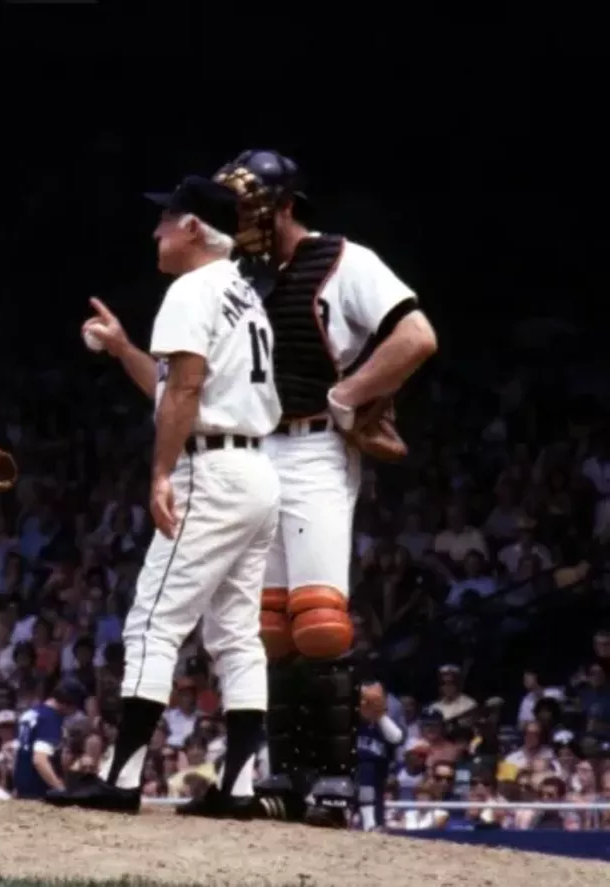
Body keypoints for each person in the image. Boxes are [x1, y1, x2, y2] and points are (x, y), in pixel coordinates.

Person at [213, 150, 439, 825]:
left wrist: (349, 393)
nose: (242, 217)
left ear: (286, 205)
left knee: (319, 621)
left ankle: (336, 779)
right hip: (256, 448)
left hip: (315, 446)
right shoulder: (235, 273)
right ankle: (284, 773)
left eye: (253, 204)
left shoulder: (342, 259)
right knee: (270, 629)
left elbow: (417, 335)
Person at [44, 175, 281, 815]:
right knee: (235, 633)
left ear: (194, 228)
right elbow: (173, 384)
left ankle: (121, 782)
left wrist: (161, 474)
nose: (157, 230)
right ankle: (238, 790)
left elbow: (183, 394)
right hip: (258, 471)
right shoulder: (243, 292)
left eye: (166, 219)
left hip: (212, 471)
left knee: (153, 621)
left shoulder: (191, 288)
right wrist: (123, 348)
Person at [14, 678, 88, 800]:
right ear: (68, 702)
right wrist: (60, 789)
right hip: (38, 790)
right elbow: (40, 759)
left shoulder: (31, 713)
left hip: (22, 787)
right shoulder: (50, 719)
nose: (75, 712)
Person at [357, 680, 404, 831]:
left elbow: (397, 738)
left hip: (377, 774)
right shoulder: (350, 719)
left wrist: (379, 715)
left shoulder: (384, 720)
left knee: (369, 768)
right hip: (350, 774)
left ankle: (371, 824)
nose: (369, 703)